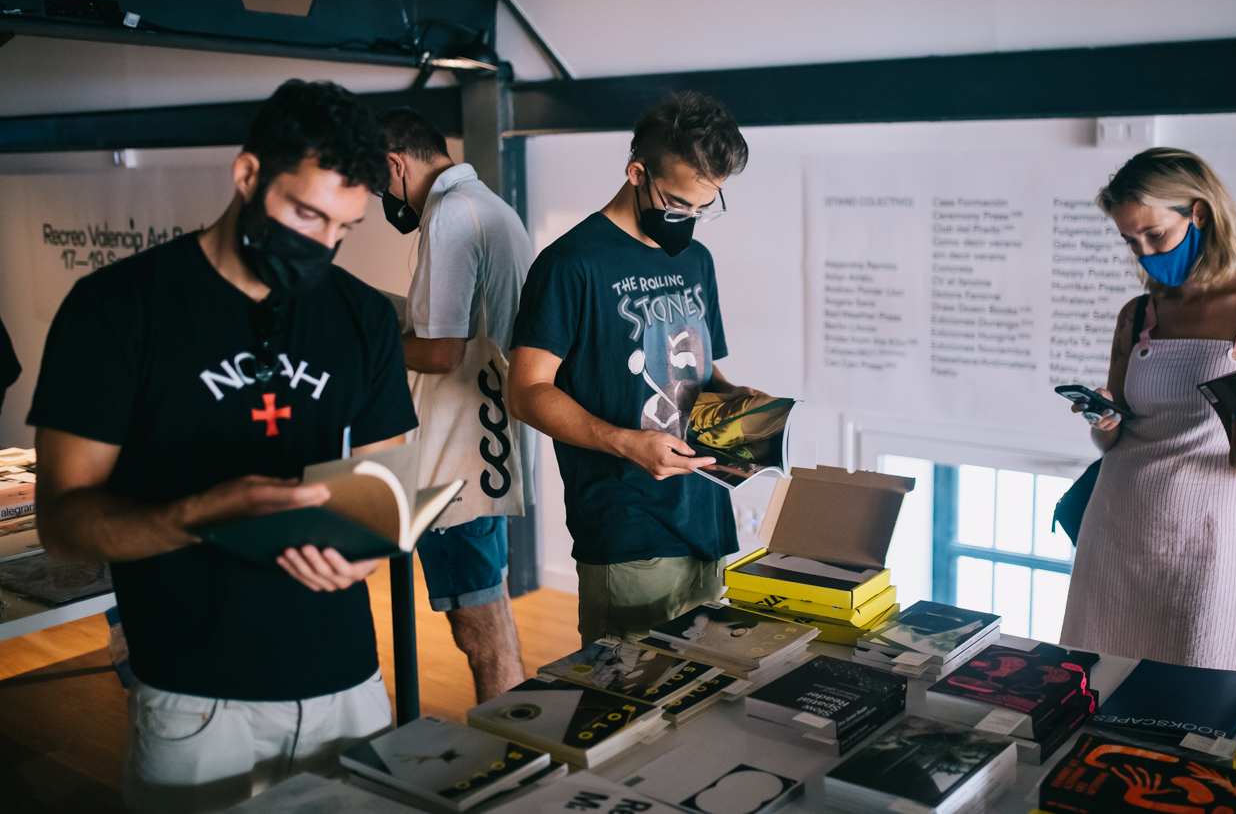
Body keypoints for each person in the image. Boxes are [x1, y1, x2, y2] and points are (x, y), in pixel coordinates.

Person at [28, 80, 418, 813]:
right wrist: (196, 515)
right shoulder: (116, 309)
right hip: (197, 697)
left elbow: (382, 483)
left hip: (348, 684)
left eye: (344, 227)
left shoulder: (363, 316)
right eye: (306, 214)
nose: (323, 245)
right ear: (247, 175)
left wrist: (368, 548)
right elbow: (63, 523)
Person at [1058, 147, 1236, 672]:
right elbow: (1117, 436)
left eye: (1154, 234)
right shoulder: (1137, 315)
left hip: (1208, 548)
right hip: (1112, 535)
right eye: (1130, 241)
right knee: (1094, 693)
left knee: (1199, 697)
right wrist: (1103, 423)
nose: (1144, 253)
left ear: (1199, 213)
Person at [508, 92, 753, 644]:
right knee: (627, 690)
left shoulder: (696, 259)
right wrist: (625, 442)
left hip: (708, 517)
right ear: (637, 173)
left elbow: (704, 373)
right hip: (627, 528)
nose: (690, 220)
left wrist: (737, 397)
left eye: (703, 207)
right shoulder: (570, 264)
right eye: (679, 204)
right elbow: (525, 391)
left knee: (702, 684)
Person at [376, 106, 530, 702]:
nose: (383, 200)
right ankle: (518, 739)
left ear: (395, 164)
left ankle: (508, 749)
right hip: (487, 447)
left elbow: (441, 353)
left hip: (454, 457)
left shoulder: (448, 216)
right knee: (491, 611)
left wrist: (364, 342)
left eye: (378, 183)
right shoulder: (487, 205)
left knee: (477, 629)